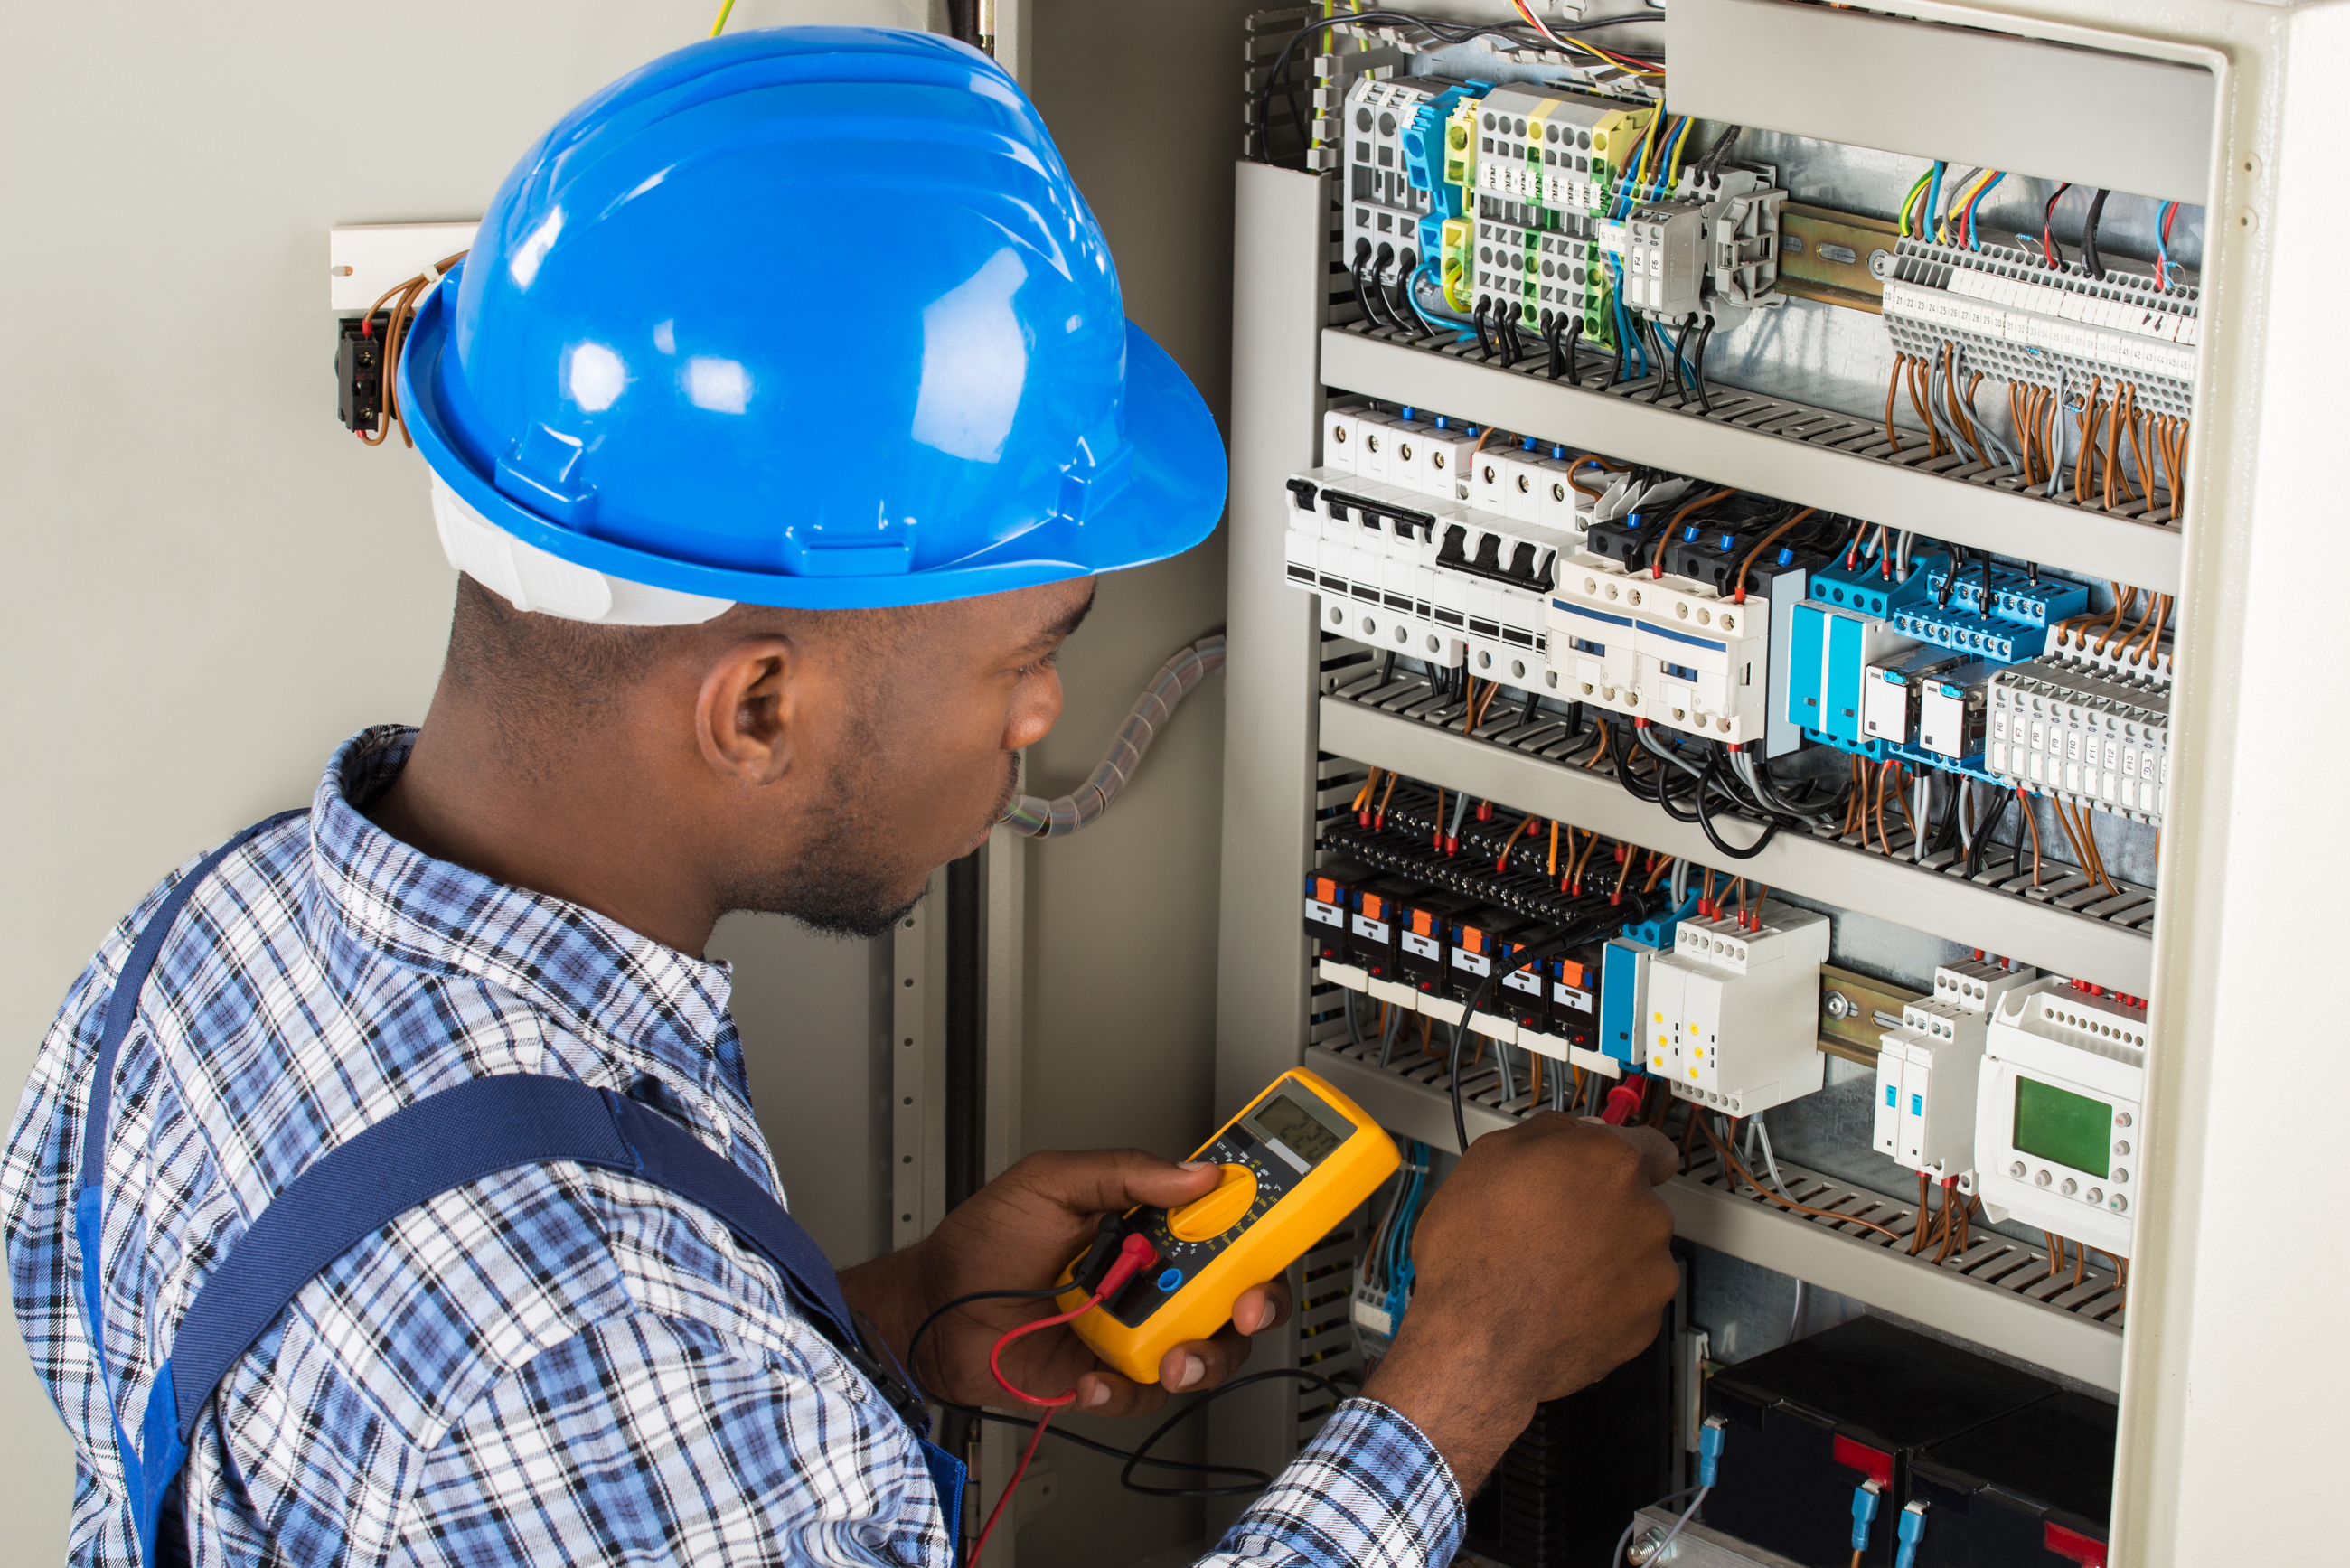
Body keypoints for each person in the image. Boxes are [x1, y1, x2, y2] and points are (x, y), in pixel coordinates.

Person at [3, 27, 1679, 1568]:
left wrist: (886, 1312)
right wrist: (1461, 1381)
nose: (1044, 716)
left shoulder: (200, 939)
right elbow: (578, 1406)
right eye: (1028, 653)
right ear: (756, 703)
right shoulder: (588, 1335)